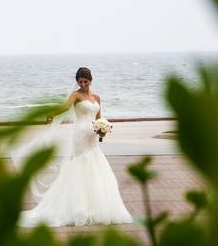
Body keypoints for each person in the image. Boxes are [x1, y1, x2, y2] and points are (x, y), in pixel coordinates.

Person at [13, 67, 133, 228]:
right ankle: (79, 209)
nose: (83, 84)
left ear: (91, 81)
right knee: (80, 166)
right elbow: (64, 108)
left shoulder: (97, 97)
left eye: (85, 81)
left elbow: (99, 117)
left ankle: (94, 208)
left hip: (92, 136)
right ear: (77, 82)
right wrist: (52, 114)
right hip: (80, 137)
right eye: (80, 81)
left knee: (95, 166)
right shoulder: (75, 95)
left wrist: (103, 128)